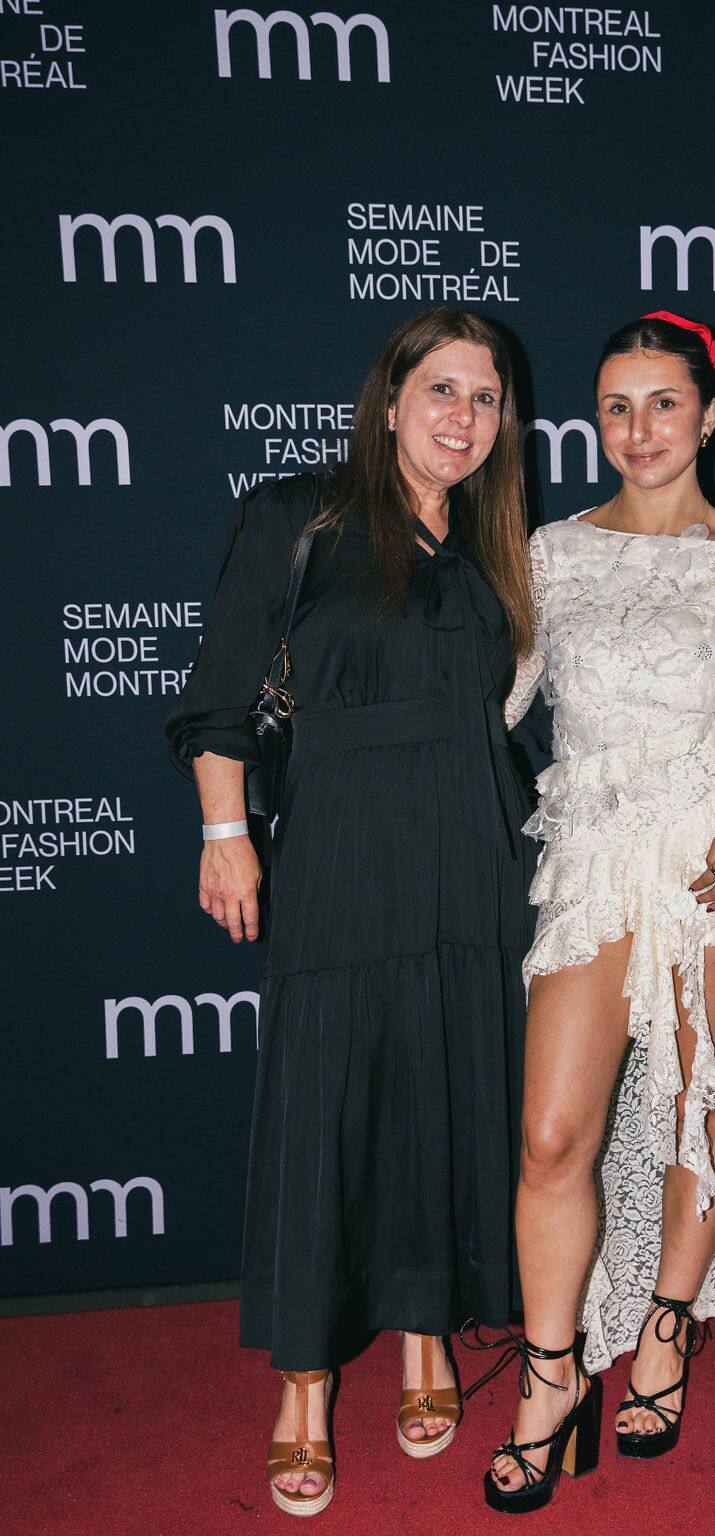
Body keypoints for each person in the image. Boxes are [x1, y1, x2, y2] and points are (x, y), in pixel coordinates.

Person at [166, 307, 537, 1517]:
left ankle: (427, 1334)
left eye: (484, 397)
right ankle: (304, 1387)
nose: (462, 417)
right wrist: (226, 832)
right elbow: (219, 696)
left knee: (442, 1089)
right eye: (441, 389)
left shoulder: (497, 542)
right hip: (341, 844)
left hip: (475, 850)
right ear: (388, 399)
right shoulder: (300, 513)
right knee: (322, 1105)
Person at [489, 311, 715, 1512]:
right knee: (550, 1136)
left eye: (663, 404)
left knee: (701, 1104)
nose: (639, 430)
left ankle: (668, 1325)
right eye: (617, 408)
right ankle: (551, 1375)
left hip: (710, 858)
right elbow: (500, 701)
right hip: (591, 856)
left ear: (709, 416)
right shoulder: (550, 553)